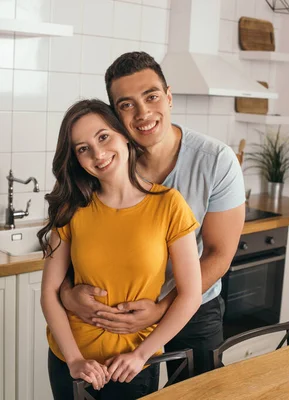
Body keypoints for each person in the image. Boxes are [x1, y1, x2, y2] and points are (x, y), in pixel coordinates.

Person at [57, 52, 246, 379]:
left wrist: (162, 308)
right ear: (115, 114)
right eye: (127, 104)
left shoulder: (217, 161)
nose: (143, 112)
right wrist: (68, 294)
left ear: (169, 97)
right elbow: (78, 249)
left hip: (193, 308)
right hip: (116, 322)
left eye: (152, 96)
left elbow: (219, 253)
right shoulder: (107, 162)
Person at [39, 99, 203, 399]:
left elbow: (191, 294)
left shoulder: (169, 204)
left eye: (103, 137)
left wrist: (141, 355)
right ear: (76, 158)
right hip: (70, 362)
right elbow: (49, 291)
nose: (98, 154)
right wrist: (75, 359)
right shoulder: (71, 207)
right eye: (82, 148)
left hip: (131, 365)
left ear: (124, 135)